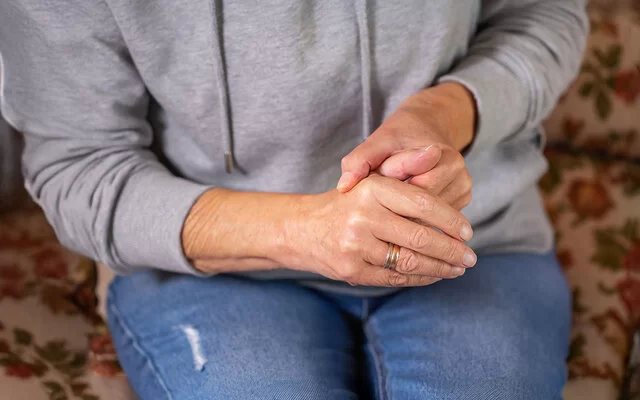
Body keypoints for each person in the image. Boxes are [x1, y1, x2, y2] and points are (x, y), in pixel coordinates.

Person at [0, 1, 588, 398]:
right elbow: (79, 166)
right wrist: (306, 230)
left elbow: (543, 15)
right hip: (209, 270)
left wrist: (443, 114)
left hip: (474, 239)